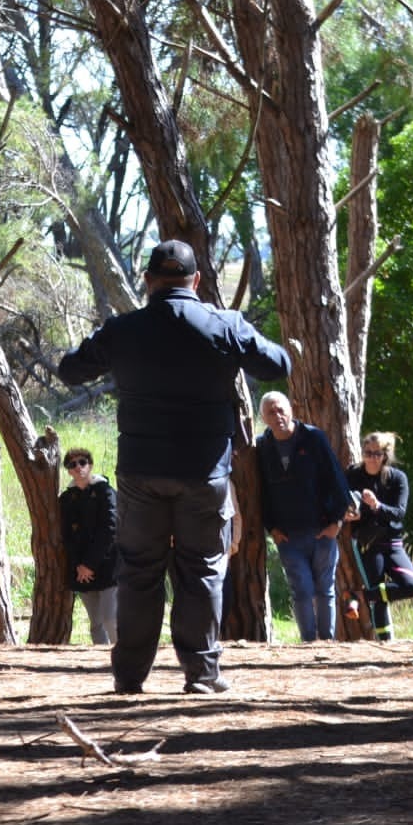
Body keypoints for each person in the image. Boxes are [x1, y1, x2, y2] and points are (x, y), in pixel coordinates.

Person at [58, 239, 291, 695]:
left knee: (139, 571)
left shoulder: (123, 330)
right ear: (197, 281)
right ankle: (202, 675)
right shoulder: (224, 326)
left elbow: (70, 371)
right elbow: (277, 362)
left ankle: (129, 676)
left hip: (141, 472)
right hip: (205, 473)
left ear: (147, 281)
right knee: (201, 570)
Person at [255, 392, 349, 642]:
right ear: (263, 417)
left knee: (324, 589)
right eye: (270, 413)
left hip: (322, 529)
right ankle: (308, 643)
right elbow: (261, 490)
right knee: (302, 590)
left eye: (280, 410)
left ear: (291, 410)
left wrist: (336, 522)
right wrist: (271, 527)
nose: (277, 417)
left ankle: (326, 643)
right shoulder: (263, 447)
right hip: (288, 535)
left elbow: (336, 478)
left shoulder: (313, 438)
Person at [344, 431, 413, 642]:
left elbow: (399, 513)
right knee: (379, 599)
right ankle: (385, 643)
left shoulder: (397, 478)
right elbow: (342, 503)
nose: (371, 458)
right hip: (366, 543)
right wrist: (348, 514)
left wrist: (377, 505)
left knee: (411, 586)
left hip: (392, 542)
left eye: (377, 453)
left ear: (385, 455)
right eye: (368, 453)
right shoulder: (353, 474)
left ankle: (359, 596)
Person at [59, 447, 119, 645]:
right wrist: (79, 566)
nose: (78, 468)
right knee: (96, 623)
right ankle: (101, 664)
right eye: (72, 465)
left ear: (90, 465)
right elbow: (67, 536)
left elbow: (110, 530)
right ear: (68, 470)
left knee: (111, 619)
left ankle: (123, 660)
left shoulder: (106, 492)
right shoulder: (66, 499)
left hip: (109, 566)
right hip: (81, 571)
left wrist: (89, 564)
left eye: (82, 462)